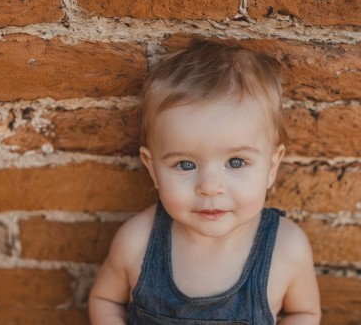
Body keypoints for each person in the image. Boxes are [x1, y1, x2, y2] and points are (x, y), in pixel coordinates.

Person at [89, 38, 321, 324]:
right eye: (185, 164)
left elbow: (303, 312)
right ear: (152, 169)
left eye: (236, 162)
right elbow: (106, 299)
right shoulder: (137, 241)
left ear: (272, 166)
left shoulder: (287, 248)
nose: (210, 187)